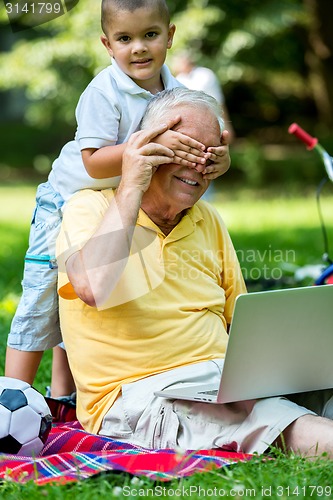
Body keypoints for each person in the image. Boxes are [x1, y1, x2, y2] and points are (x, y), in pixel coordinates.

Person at [56, 87, 333, 457]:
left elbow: (243, 322)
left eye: (209, 155)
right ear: (147, 147)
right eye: (183, 150)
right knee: (278, 420)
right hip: (141, 397)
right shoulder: (89, 208)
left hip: (224, 382)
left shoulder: (208, 219)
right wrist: (133, 182)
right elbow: (93, 286)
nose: (198, 166)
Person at [5, 0, 231, 400]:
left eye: (150, 35)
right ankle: (14, 396)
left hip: (119, 200)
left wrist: (219, 158)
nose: (139, 48)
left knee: (81, 304)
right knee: (43, 296)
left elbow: (204, 142)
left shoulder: (178, 94)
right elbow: (92, 163)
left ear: (170, 35)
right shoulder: (103, 91)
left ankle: (62, 396)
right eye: (125, 39)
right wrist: (146, 144)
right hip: (66, 199)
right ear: (108, 45)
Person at [173, 51, 234, 140]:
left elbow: (218, 101)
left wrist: (227, 125)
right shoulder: (179, 79)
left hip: (211, 119)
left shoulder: (205, 75)